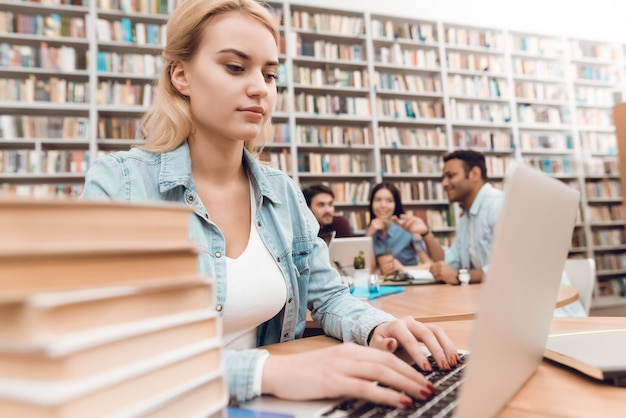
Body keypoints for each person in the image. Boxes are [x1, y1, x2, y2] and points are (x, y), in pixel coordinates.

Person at [80, 0, 459, 409]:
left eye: (270, 73)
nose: (260, 87)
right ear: (181, 75)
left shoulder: (283, 193)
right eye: (235, 67)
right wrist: (265, 372)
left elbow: (329, 298)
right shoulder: (120, 184)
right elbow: (93, 350)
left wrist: (380, 327)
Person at [421, 150, 504, 285]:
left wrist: (462, 276)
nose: (444, 183)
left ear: (474, 174)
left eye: (450, 176)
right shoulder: (466, 218)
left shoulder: (499, 205)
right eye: (443, 178)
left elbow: (510, 266)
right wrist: (425, 233)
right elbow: (451, 262)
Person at [365, 182, 432, 276]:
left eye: (389, 201)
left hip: (410, 283)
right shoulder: (370, 231)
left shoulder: (407, 228)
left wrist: (403, 269)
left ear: (396, 204)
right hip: (386, 286)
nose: (383, 205)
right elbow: (368, 271)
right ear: (371, 204)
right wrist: (369, 236)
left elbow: (429, 265)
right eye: (378, 200)